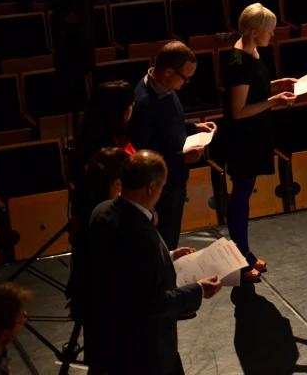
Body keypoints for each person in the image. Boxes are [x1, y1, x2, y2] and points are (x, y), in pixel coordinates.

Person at [88, 151, 222, 375]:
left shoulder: (102, 211)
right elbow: (153, 302)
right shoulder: (139, 232)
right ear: (151, 187)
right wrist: (199, 290)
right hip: (142, 353)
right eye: (161, 186)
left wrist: (169, 256)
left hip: (107, 342)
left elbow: (124, 266)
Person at [222, 4, 296, 283]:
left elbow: (258, 87)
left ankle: (245, 250)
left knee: (245, 194)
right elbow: (238, 111)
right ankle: (239, 257)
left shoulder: (253, 52)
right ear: (254, 32)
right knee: (240, 196)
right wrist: (274, 101)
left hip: (255, 135)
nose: (273, 35)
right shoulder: (238, 63)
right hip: (243, 139)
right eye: (269, 31)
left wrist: (278, 85)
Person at [128, 41, 215, 250]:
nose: (187, 83)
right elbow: (141, 156)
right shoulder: (142, 104)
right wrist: (181, 158)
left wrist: (194, 127)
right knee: (161, 249)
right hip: (159, 191)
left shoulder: (165, 88)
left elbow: (167, 124)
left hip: (173, 182)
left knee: (170, 243)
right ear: (168, 71)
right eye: (185, 78)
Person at [65, 147, 128, 364]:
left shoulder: (89, 205)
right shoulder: (110, 217)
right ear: (118, 184)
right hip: (105, 302)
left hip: (90, 295)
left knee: (99, 360)